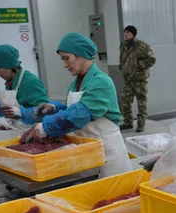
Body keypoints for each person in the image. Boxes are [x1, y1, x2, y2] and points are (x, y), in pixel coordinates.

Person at [24, 33, 132, 177]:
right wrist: (55, 108)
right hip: (86, 150)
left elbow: (80, 113)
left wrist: (45, 127)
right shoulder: (75, 84)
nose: (65, 65)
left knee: (114, 194)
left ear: (80, 55)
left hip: (107, 152)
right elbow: (73, 108)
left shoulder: (101, 82)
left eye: (66, 58)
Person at [119, 25, 156, 132]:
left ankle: (141, 124)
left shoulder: (142, 46)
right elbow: (122, 58)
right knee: (125, 101)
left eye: (128, 32)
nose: (126, 34)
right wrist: (122, 66)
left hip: (139, 80)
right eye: (125, 32)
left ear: (134, 34)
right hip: (128, 80)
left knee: (141, 102)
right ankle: (128, 122)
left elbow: (152, 59)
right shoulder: (123, 46)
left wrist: (139, 65)